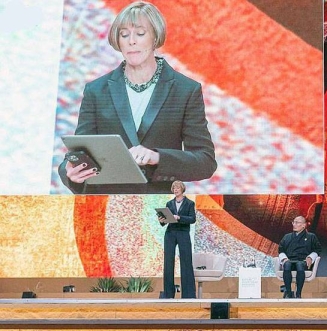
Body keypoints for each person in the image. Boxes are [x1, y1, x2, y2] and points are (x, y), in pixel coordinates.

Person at [58, 1, 217, 194]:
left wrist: (156, 157)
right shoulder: (96, 90)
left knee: (167, 223)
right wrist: (70, 172)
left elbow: (205, 162)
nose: (131, 41)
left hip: (159, 208)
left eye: (140, 33)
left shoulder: (185, 90)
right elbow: (78, 153)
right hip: (106, 206)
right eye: (124, 35)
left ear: (155, 37)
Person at [158, 180, 196, 298]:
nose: (175, 190)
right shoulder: (169, 203)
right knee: (168, 262)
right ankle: (168, 294)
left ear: (182, 189)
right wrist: (162, 221)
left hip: (183, 233)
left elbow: (192, 219)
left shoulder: (190, 203)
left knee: (186, 262)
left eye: (177, 188)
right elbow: (165, 221)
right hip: (170, 233)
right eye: (174, 188)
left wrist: (179, 217)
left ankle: (188, 294)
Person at [278, 216, 322, 299]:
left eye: (297, 223)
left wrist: (310, 257)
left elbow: (318, 249)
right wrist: (284, 258)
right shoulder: (287, 237)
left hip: (303, 262)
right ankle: (289, 293)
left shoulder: (311, 237)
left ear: (304, 225)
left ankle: (298, 293)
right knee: (287, 264)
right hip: (290, 261)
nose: (294, 224)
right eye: (293, 222)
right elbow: (281, 250)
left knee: (299, 264)